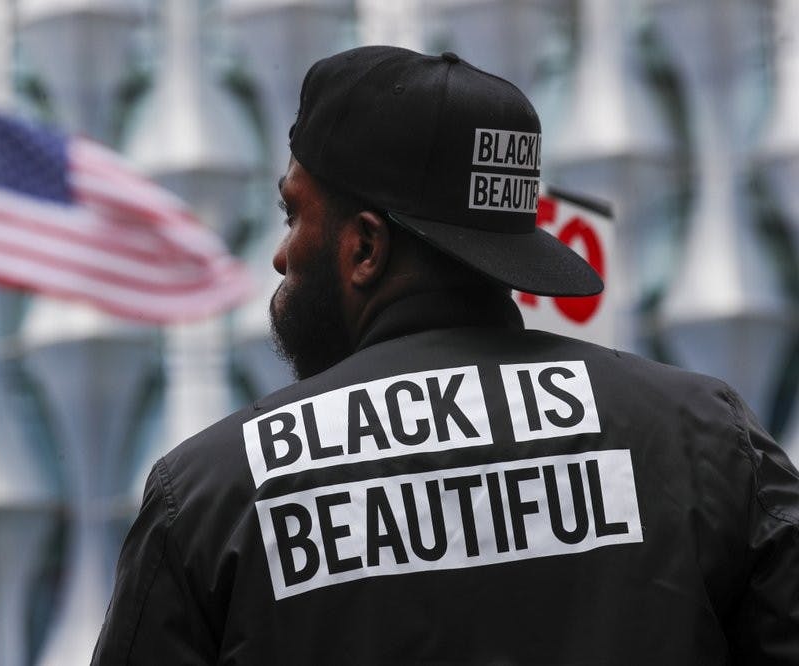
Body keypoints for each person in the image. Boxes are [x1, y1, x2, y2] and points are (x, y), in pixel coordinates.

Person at [92, 45, 799, 665]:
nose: (280, 255)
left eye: (294, 215)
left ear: (365, 247)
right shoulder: (708, 442)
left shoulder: (216, 495)